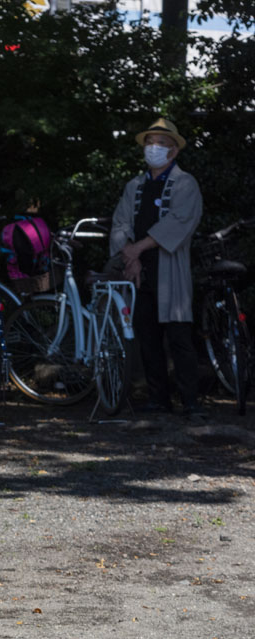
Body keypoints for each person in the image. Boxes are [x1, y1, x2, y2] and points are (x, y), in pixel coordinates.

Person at [109, 118, 203, 418]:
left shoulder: (186, 183)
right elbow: (120, 223)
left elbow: (179, 222)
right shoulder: (134, 185)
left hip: (170, 268)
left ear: (173, 151)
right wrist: (131, 256)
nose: (154, 148)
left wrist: (139, 247)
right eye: (150, 142)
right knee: (147, 336)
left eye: (161, 144)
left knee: (179, 336)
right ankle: (158, 399)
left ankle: (190, 401)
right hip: (137, 271)